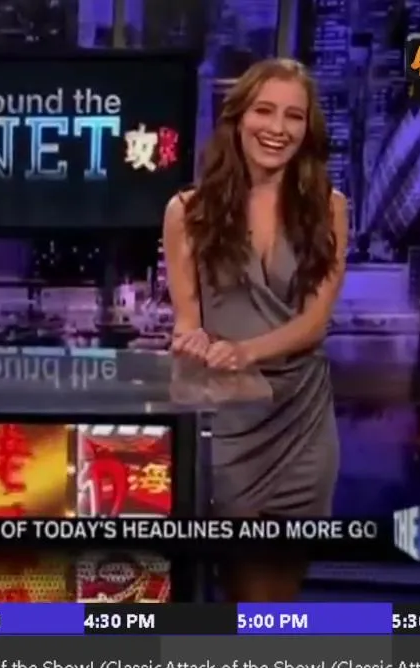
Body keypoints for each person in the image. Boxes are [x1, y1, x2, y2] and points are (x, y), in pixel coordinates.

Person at [161, 58, 347, 602]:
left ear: (307, 129)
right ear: (238, 118)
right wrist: (193, 340)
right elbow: (188, 322)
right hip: (229, 421)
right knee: (242, 589)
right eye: (264, 111)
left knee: (278, 598)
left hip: (303, 421)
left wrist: (244, 350)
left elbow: (314, 323)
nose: (277, 128)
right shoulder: (187, 211)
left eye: (293, 116)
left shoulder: (328, 208)